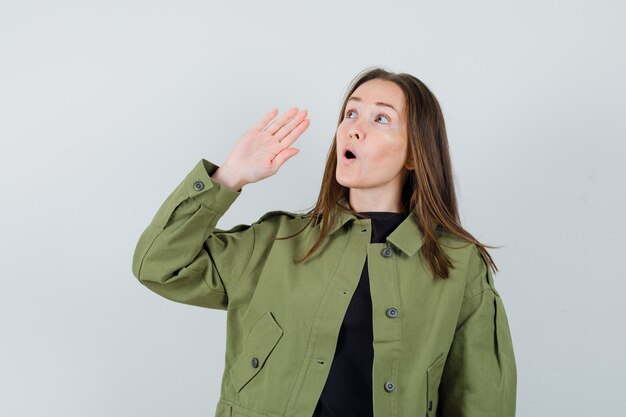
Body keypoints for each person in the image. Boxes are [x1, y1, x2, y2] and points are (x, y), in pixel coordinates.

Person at [131, 66, 517, 417]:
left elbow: (482, 399)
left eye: (381, 118)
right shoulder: (276, 242)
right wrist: (229, 177)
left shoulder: (458, 263)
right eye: (351, 113)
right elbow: (159, 266)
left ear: (415, 153)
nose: (354, 128)